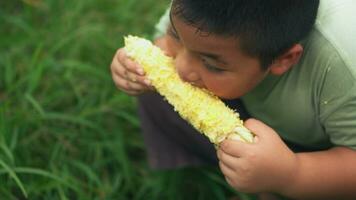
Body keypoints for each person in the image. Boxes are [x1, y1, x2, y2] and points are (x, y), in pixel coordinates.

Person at [110, 0, 356, 199]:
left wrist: (292, 175)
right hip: (258, 110)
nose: (182, 67)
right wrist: (135, 69)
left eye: (210, 63)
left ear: (284, 59)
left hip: (329, 147)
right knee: (155, 96)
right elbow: (164, 46)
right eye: (176, 36)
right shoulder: (201, 11)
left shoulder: (343, 67)